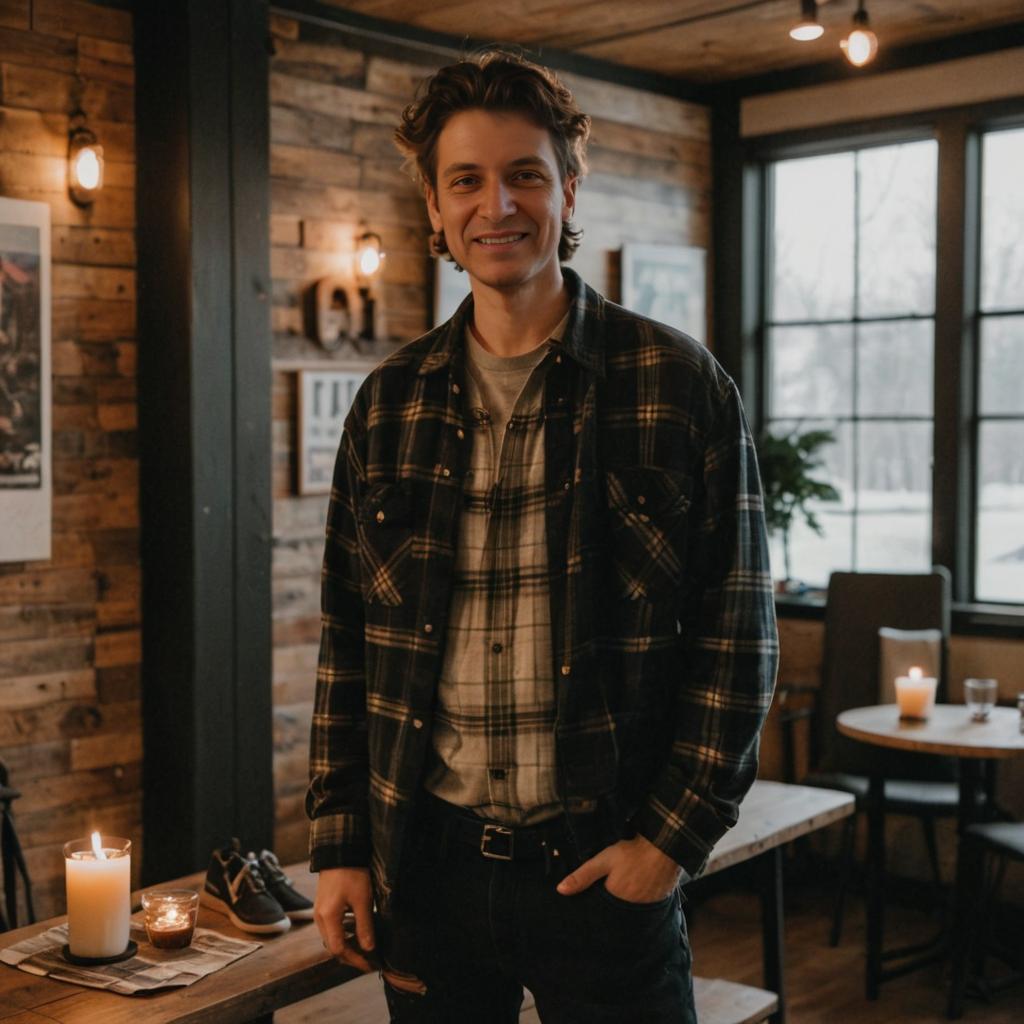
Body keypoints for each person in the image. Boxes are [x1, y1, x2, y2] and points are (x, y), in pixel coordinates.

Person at [308, 49, 778, 1023]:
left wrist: (667, 846)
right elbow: (347, 645)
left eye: (525, 173)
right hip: (429, 871)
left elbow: (738, 640)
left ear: (569, 188)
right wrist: (341, 844)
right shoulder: (386, 404)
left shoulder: (678, 384)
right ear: (433, 210)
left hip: (605, 872)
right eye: (465, 181)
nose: (497, 205)